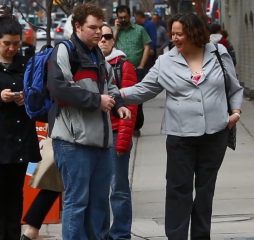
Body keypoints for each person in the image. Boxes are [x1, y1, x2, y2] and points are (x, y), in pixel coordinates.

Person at [120, 13, 243, 240]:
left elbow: (234, 87)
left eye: (179, 33)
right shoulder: (166, 61)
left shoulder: (218, 53)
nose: (174, 38)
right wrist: (116, 96)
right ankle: (176, 237)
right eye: (172, 34)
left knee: (206, 190)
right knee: (178, 190)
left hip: (215, 134)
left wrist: (235, 113)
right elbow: (144, 89)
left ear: (194, 33)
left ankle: (200, 236)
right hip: (180, 136)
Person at [47, 4, 131, 240]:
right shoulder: (64, 51)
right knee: (77, 204)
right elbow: (59, 89)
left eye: (100, 28)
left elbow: (110, 87)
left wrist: (120, 105)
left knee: (98, 205)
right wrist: (96, 101)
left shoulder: (97, 54)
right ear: (77, 27)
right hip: (73, 143)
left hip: (100, 143)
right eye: (92, 28)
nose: (98, 33)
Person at [0, 14, 41, 240]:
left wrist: (27, 98)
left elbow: (39, 94)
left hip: (20, 141)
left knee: (15, 197)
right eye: (7, 43)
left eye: (16, 43)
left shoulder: (26, 64)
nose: (12, 48)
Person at [99, 24, 137, 240]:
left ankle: (121, 235)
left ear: (113, 41)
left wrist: (123, 140)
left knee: (119, 190)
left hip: (115, 134)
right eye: (100, 37)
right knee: (99, 192)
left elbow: (130, 107)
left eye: (107, 37)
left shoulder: (124, 66)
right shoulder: (89, 64)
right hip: (95, 136)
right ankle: (103, 234)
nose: (103, 40)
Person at [113, 5, 151, 137]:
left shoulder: (140, 30)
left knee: (137, 99)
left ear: (130, 16)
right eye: (120, 17)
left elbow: (146, 46)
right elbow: (109, 45)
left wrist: (141, 65)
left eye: (125, 17)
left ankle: (136, 125)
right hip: (120, 70)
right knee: (121, 98)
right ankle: (123, 126)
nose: (123, 19)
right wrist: (116, 30)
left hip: (136, 69)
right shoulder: (114, 31)